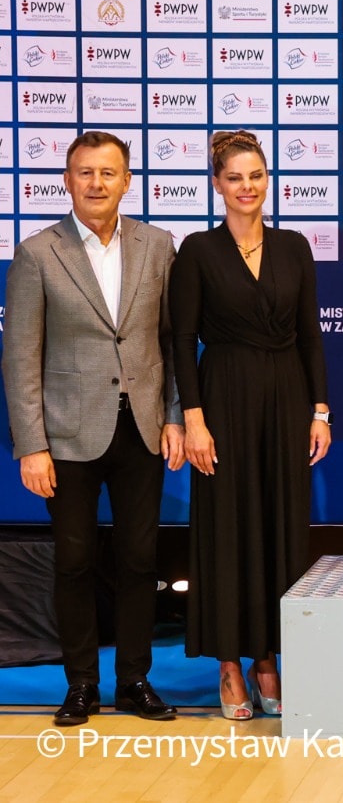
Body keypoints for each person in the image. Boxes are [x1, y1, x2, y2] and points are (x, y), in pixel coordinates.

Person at [1, 131, 186, 726]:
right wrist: (32, 445)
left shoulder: (158, 246)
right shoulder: (38, 253)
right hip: (66, 434)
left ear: (127, 181)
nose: (97, 183)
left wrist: (175, 417)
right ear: (67, 180)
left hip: (143, 429)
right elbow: (20, 357)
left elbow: (173, 344)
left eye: (108, 173)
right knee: (75, 562)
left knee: (139, 560)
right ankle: (81, 683)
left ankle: (134, 680)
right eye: (85, 173)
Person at [170, 131, 331, 719]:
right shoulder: (197, 250)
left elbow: (310, 335)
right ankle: (229, 663)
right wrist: (193, 420)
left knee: (279, 525)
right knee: (226, 526)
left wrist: (320, 410)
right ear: (217, 184)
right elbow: (182, 340)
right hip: (223, 398)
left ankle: (268, 658)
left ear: (268, 180)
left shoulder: (294, 247)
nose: (247, 187)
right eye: (235, 178)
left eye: (256, 176)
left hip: (287, 397)